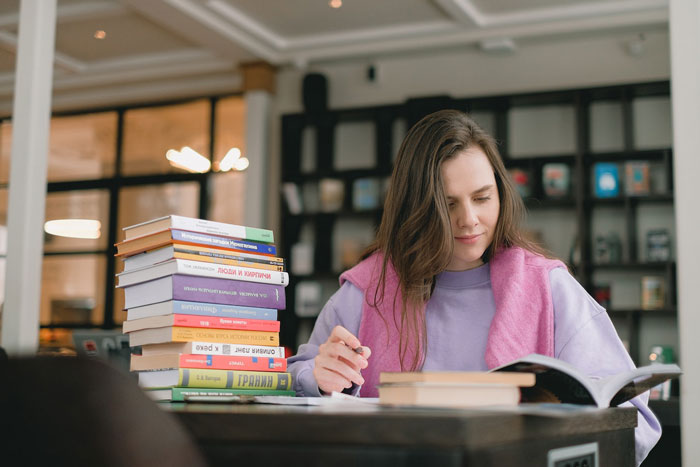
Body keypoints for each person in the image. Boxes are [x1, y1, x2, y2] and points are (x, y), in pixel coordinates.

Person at [287, 109, 660, 464]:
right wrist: (316, 378)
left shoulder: (550, 288)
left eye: (483, 198)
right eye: (447, 205)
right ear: (414, 208)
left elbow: (636, 421)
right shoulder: (368, 290)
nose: (469, 220)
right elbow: (289, 380)